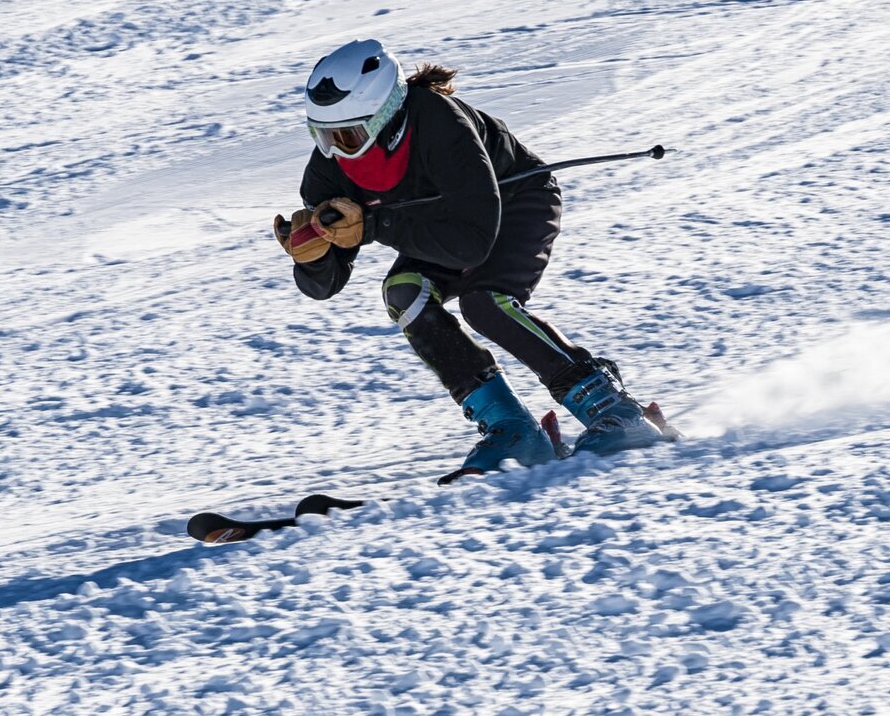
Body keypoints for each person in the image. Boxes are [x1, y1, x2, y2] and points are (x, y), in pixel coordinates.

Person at [275, 39, 667, 481]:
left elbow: (471, 245)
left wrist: (372, 226)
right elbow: (324, 285)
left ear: (385, 119)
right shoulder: (328, 170)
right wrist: (312, 257)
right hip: (441, 226)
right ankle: (512, 428)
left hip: (516, 202)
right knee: (405, 293)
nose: (336, 151)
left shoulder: (441, 125)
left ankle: (614, 408)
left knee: (484, 302)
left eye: (348, 136)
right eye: (322, 136)